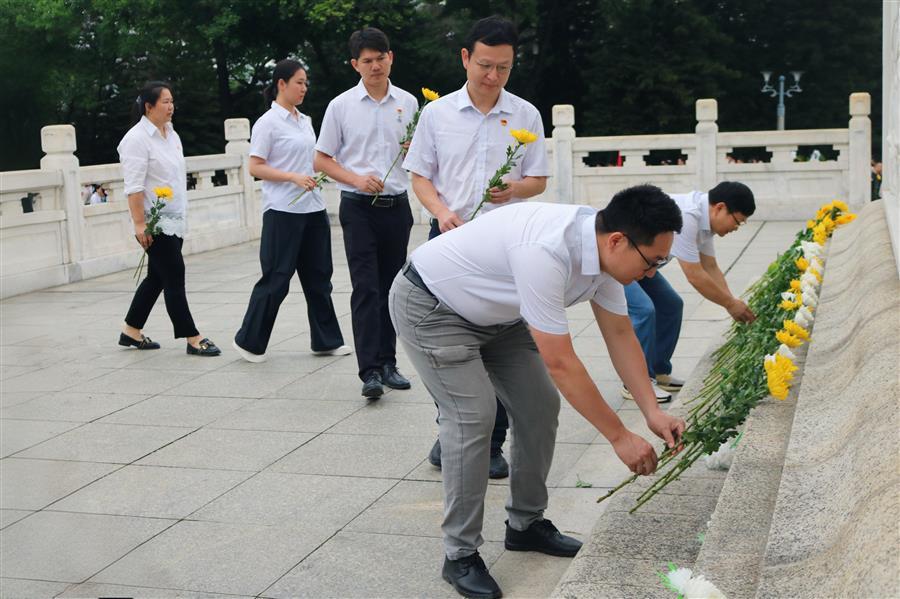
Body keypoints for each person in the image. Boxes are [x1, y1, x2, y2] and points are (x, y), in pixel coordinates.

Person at [389, 185, 686, 599]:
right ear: (618, 240)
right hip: (433, 306)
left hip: (500, 317)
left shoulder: (605, 255)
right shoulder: (546, 251)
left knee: (540, 406)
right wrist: (619, 437)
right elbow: (561, 362)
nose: (653, 273)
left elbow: (620, 334)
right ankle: (460, 554)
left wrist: (651, 411)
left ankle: (525, 525)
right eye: (653, 261)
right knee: (473, 417)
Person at [403, 15, 551, 480]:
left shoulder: (525, 114)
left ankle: (491, 443)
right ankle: (452, 429)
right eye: (485, 65)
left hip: (504, 248)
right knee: (446, 344)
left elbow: (538, 179)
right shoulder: (437, 114)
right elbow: (420, 176)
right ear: (465, 57)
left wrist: (515, 190)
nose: (493, 76)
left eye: (503, 68)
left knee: (498, 345)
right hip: (448, 242)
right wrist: (440, 211)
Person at [313, 28, 416, 399]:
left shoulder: (409, 103)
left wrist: (414, 149)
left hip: (397, 207)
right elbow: (321, 159)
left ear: (391, 58)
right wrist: (356, 178)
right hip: (358, 208)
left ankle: (389, 364)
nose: (375, 66)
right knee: (366, 287)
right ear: (355, 64)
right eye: (367, 60)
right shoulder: (341, 106)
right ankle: (370, 370)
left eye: (381, 58)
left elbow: (423, 157)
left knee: (392, 288)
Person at [232, 59, 351, 363]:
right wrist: (292, 177)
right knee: (277, 278)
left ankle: (326, 341)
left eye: (306, 82)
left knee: (319, 278)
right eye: (299, 82)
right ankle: (249, 342)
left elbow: (314, 158)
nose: (304, 88)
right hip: (282, 210)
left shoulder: (305, 120)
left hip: (313, 209)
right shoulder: (268, 123)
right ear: (281, 84)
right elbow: (255, 166)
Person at [621, 181, 756, 402]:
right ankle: (636, 383)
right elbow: (694, 275)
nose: (736, 228)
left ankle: (658, 371)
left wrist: (732, 302)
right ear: (720, 208)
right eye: (737, 221)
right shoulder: (688, 216)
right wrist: (730, 305)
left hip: (643, 265)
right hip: (617, 263)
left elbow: (710, 267)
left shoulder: (705, 222)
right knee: (644, 310)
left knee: (671, 305)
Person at [117, 81, 220, 356]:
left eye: (172, 101)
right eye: (165, 101)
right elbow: (134, 187)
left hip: (175, 219)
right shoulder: (136, 139)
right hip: (154, 222)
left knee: (157, 278)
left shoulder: (172, 134)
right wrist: (140, 224)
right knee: (174, 276)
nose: (171, 106)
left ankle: (131, 330)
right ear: (148, 106)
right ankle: (192, 337)